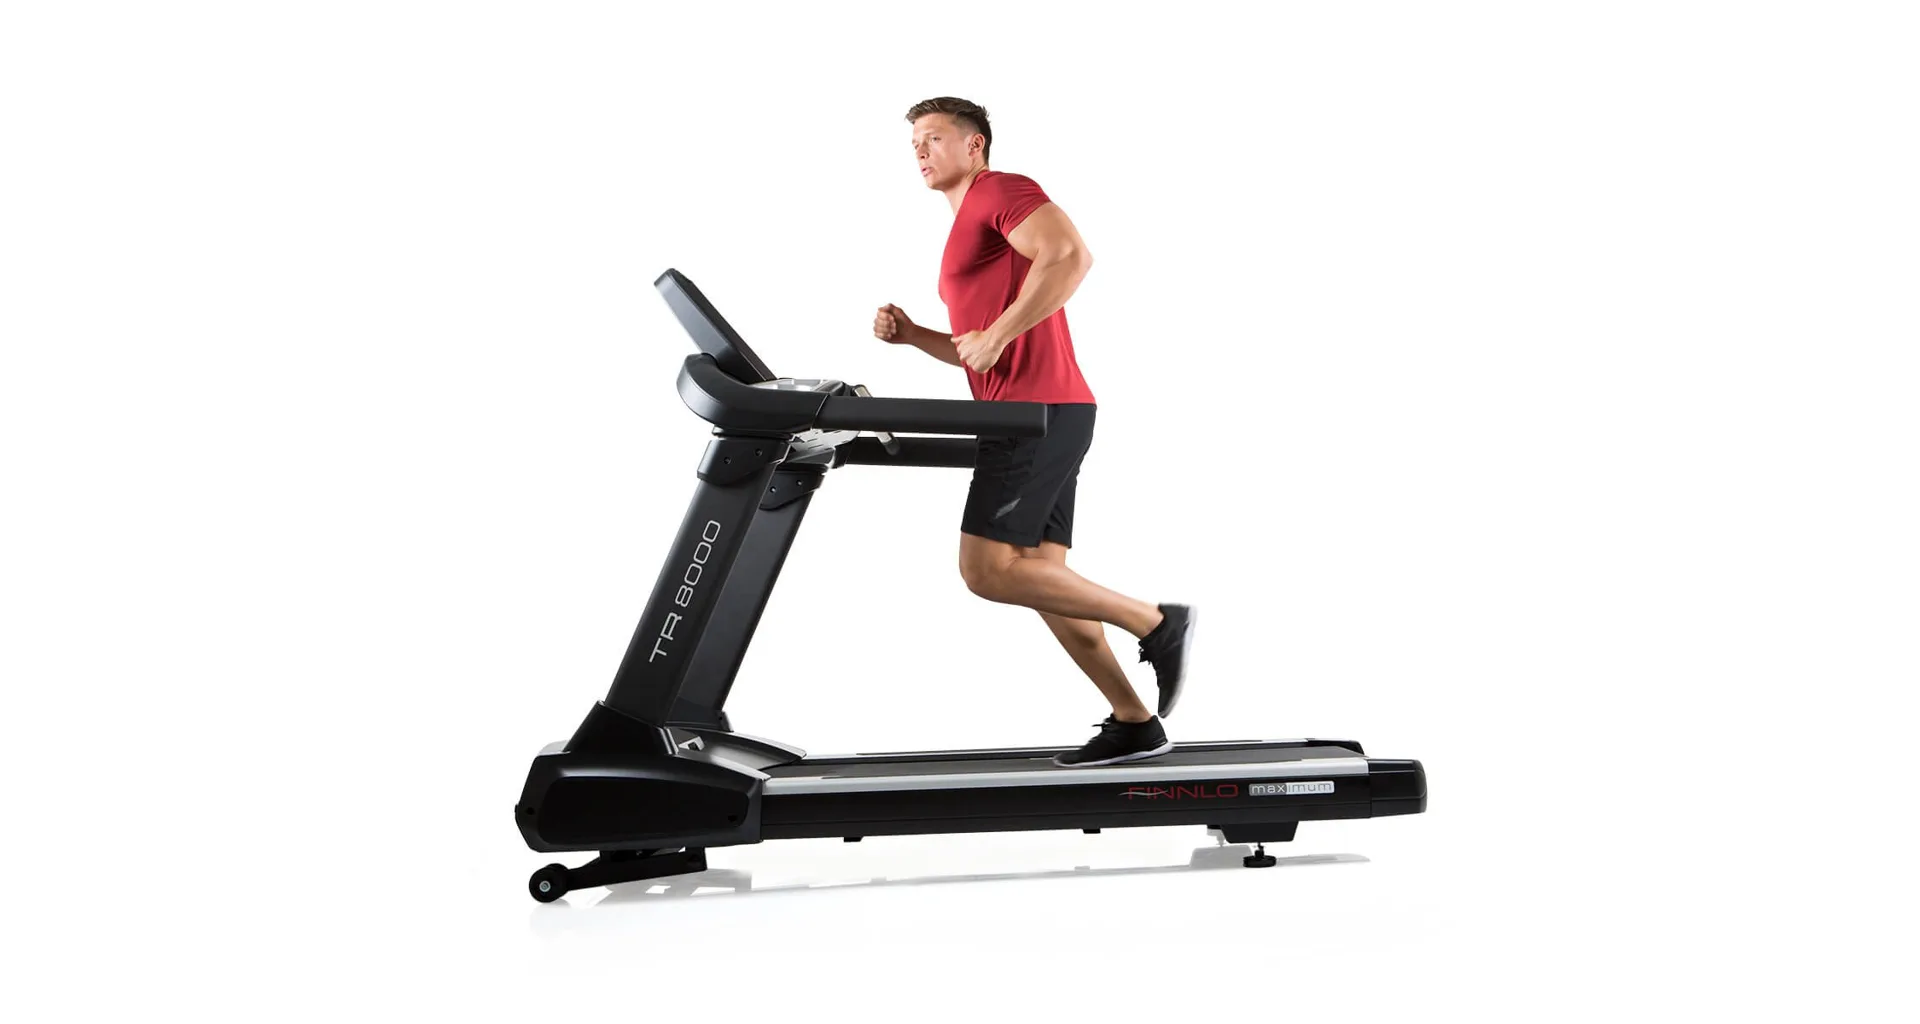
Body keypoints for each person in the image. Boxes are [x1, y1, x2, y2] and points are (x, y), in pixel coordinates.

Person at [871, 96, 1195, 768]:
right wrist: (916, 336)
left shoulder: (999, 190)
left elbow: (1071, 255)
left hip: (1034, 413)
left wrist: (997, 333)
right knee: (1042, 579)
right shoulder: (968, 222)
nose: (921, 151)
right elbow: (978, 349)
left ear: (975, 145)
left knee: (986, 571)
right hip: (1039, 411)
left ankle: (1156, 620)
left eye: (934, 138)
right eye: (914, 144)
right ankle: (1134, 721)